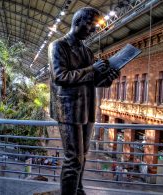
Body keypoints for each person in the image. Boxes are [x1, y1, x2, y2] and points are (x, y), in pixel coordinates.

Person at [48, 7, 120, 195]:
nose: (93, 30)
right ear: (78, 22)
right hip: (68, 110)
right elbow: (60, 76)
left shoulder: (87, 51)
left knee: (83, 156)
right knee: (73, 159)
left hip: (87, 110)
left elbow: (95, 81)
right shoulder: (58, 46)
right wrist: (91, 70)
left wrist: (110, 77)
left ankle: (78, 190)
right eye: (91, 25)